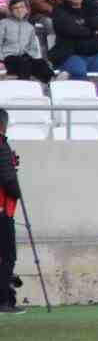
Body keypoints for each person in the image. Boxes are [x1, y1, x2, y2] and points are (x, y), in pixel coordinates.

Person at [0, 108, 19, 314]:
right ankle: (3, 299)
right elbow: (8, 181)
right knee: (8, 256)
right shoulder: (2, 145)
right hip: (2, 210)